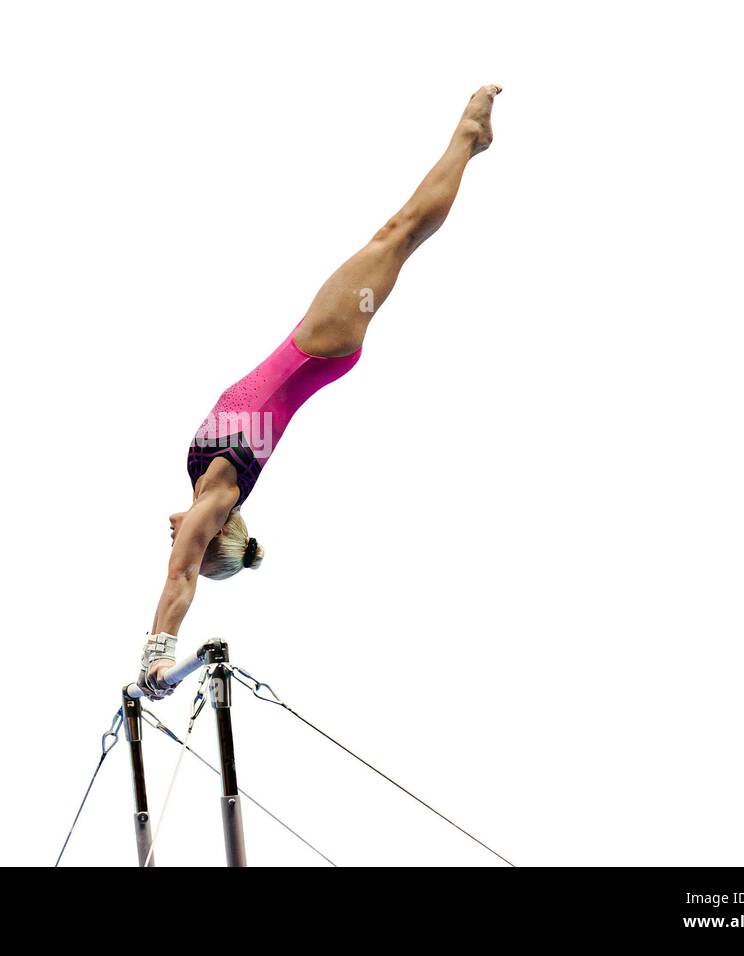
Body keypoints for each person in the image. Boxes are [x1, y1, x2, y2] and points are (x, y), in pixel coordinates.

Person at [138, 85, 503, 698]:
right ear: (215, 537)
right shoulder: (218, 496)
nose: (180, 537)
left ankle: (468, 142)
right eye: (199, 547)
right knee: (399, 233)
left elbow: (184, 563)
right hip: (320, 346)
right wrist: (157, 653)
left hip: (316, 346)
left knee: (398, 235)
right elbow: (179, 579)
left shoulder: (207, 479)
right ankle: (469, 139)